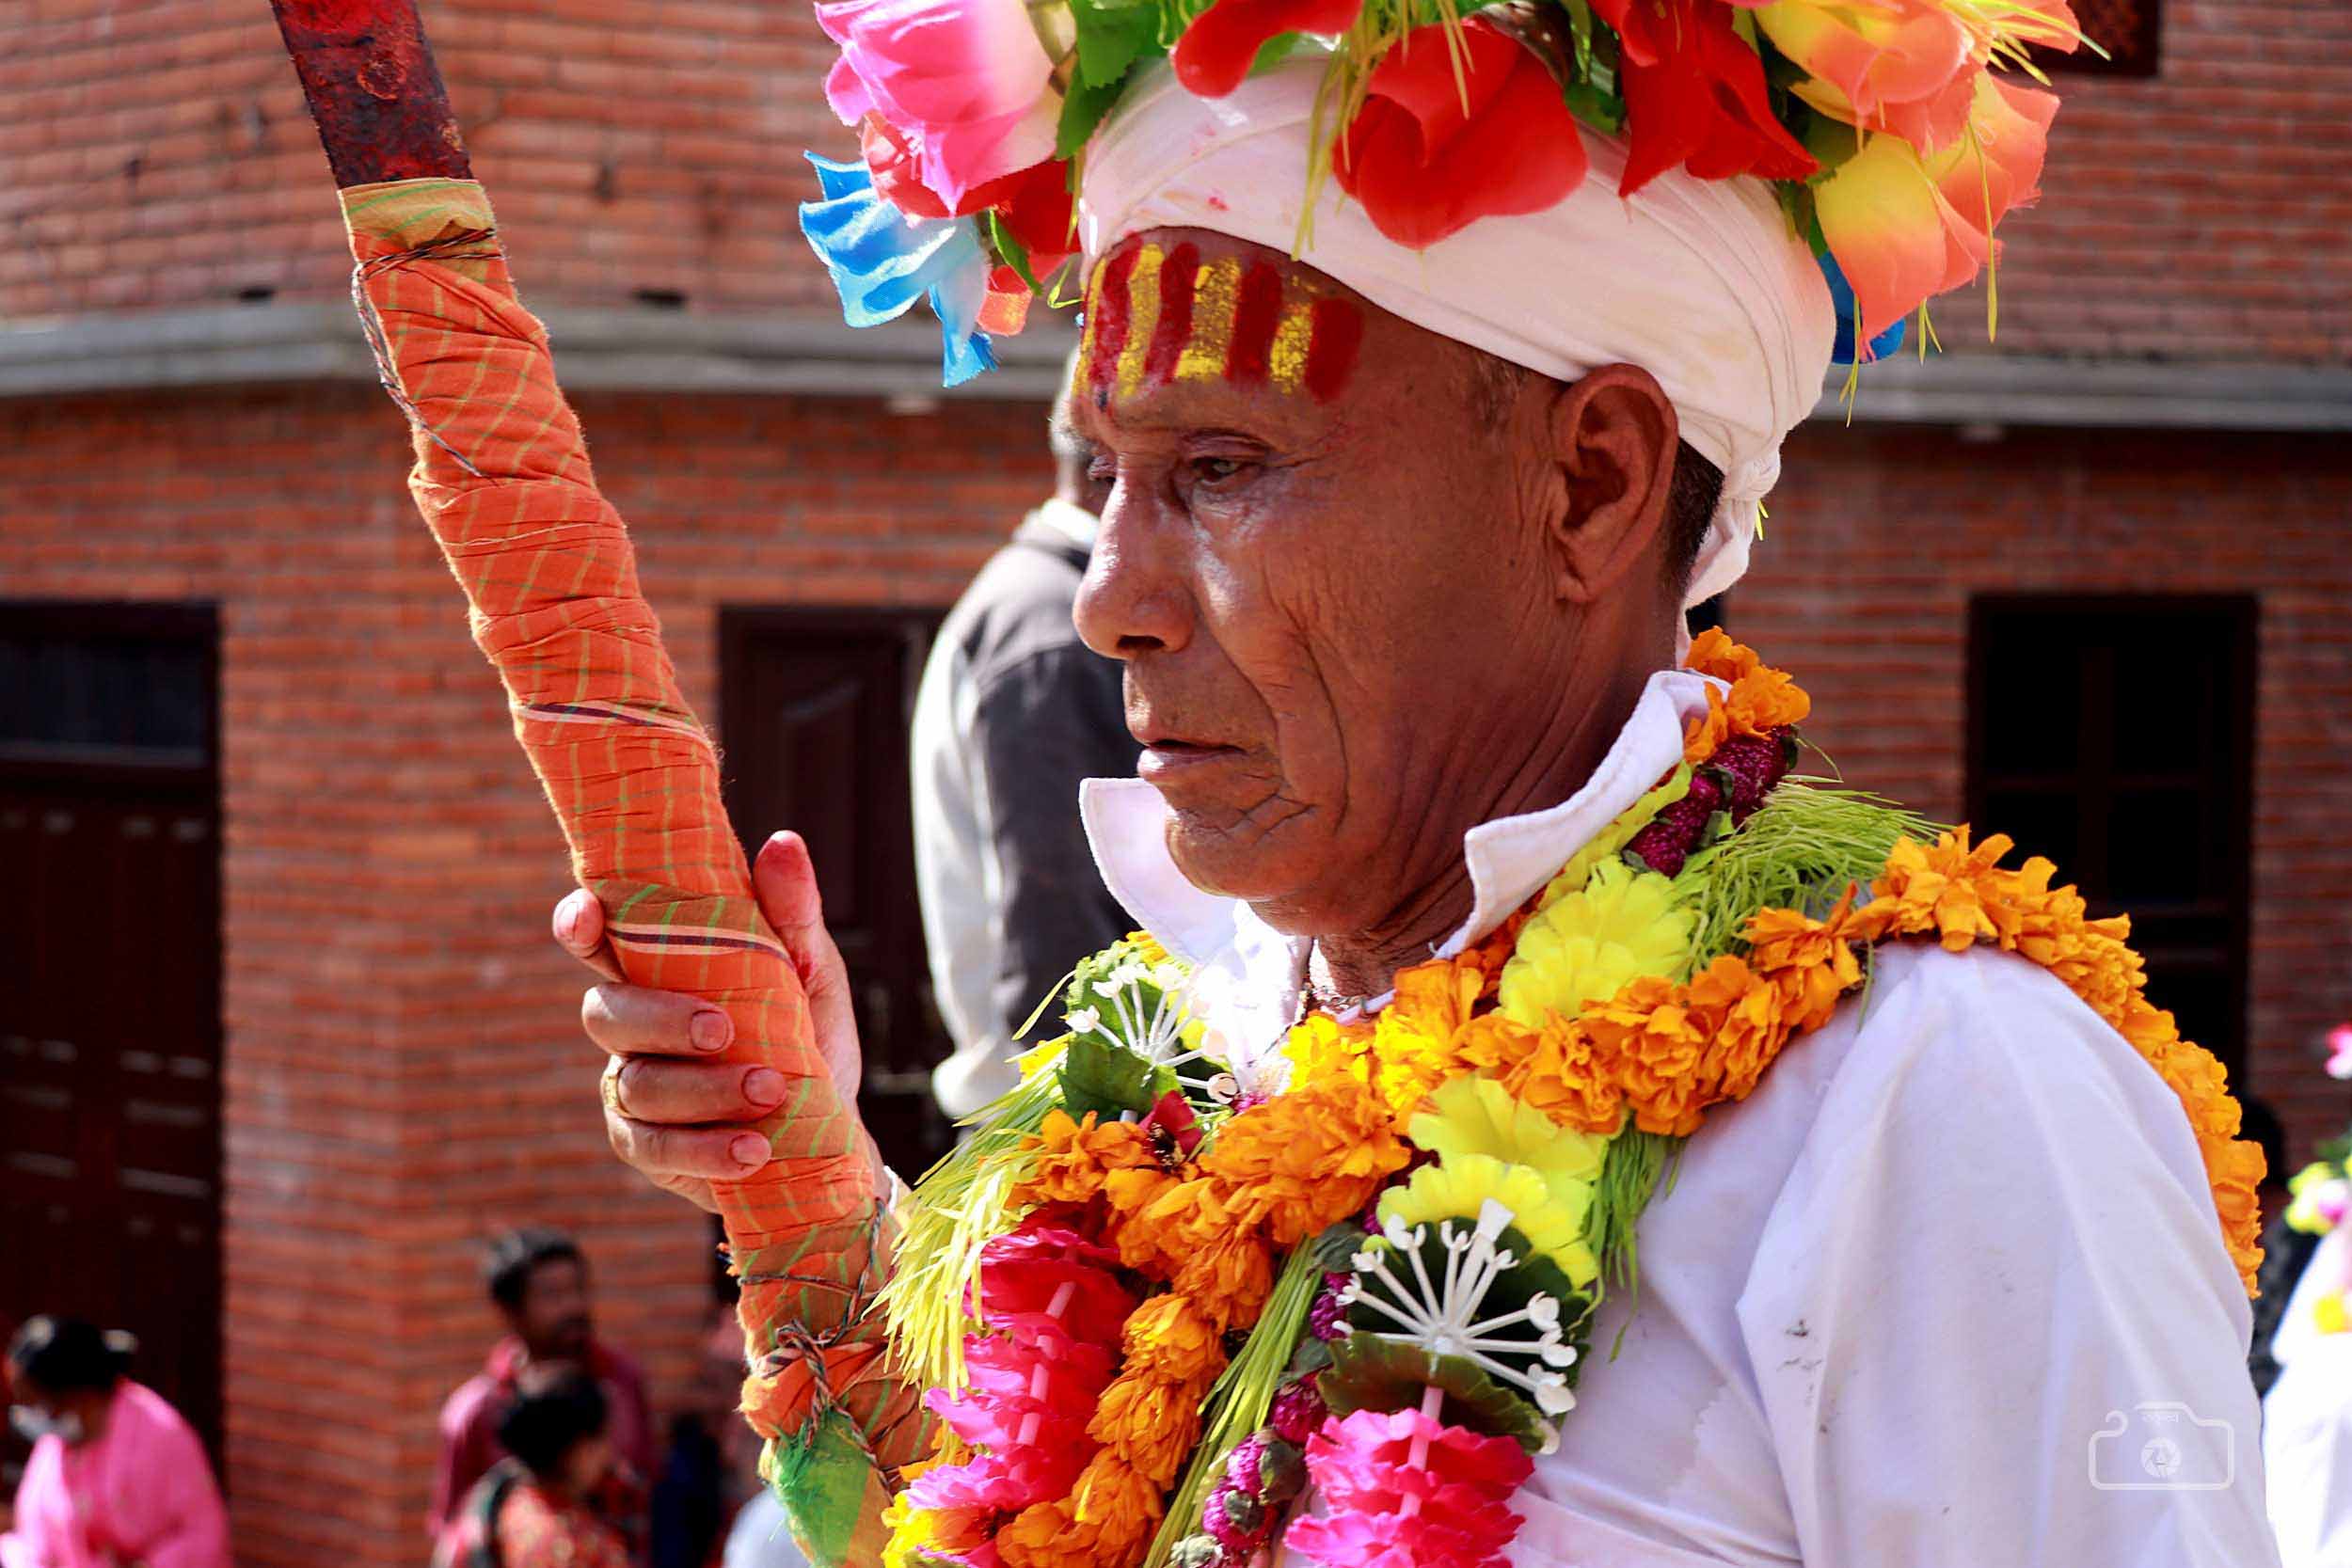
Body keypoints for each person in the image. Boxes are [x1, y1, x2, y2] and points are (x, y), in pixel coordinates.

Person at [552, 9, 2278, 1565]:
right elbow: (980, 1522)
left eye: (1221, 468)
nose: (1108, 599)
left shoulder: (1942, 1108)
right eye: (1114, 475)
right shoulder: (1188, 1042)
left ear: (1589, 485)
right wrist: (792, 1166)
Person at [911, 356, 1133, 1120]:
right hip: (1067, 1134)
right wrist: (1108, 1138)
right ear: (1112, 457)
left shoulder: (1048, 608)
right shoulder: (1056, 630)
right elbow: (1053, 925)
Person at [431, 1227, 656, 1556]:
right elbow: (457, 1532)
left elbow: (648, 1491)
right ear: (510, 1311)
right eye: (552, 1295)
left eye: (578, 1290)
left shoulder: (621, 1381)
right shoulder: (476, 1410)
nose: (573, 1306)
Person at [1, 1317, 228, 1568]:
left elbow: (203, 1536)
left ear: (79, 1395)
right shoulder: (57, 1445)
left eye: (41, 1405)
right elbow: (35, 1537)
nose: (34, 1416)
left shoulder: (160, 1437)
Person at [435, 1365, 633, 1568]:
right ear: (578, 1452)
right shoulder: (581, 1547)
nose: (608, 1455)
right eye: (600, 1441)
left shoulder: (502, 1509)